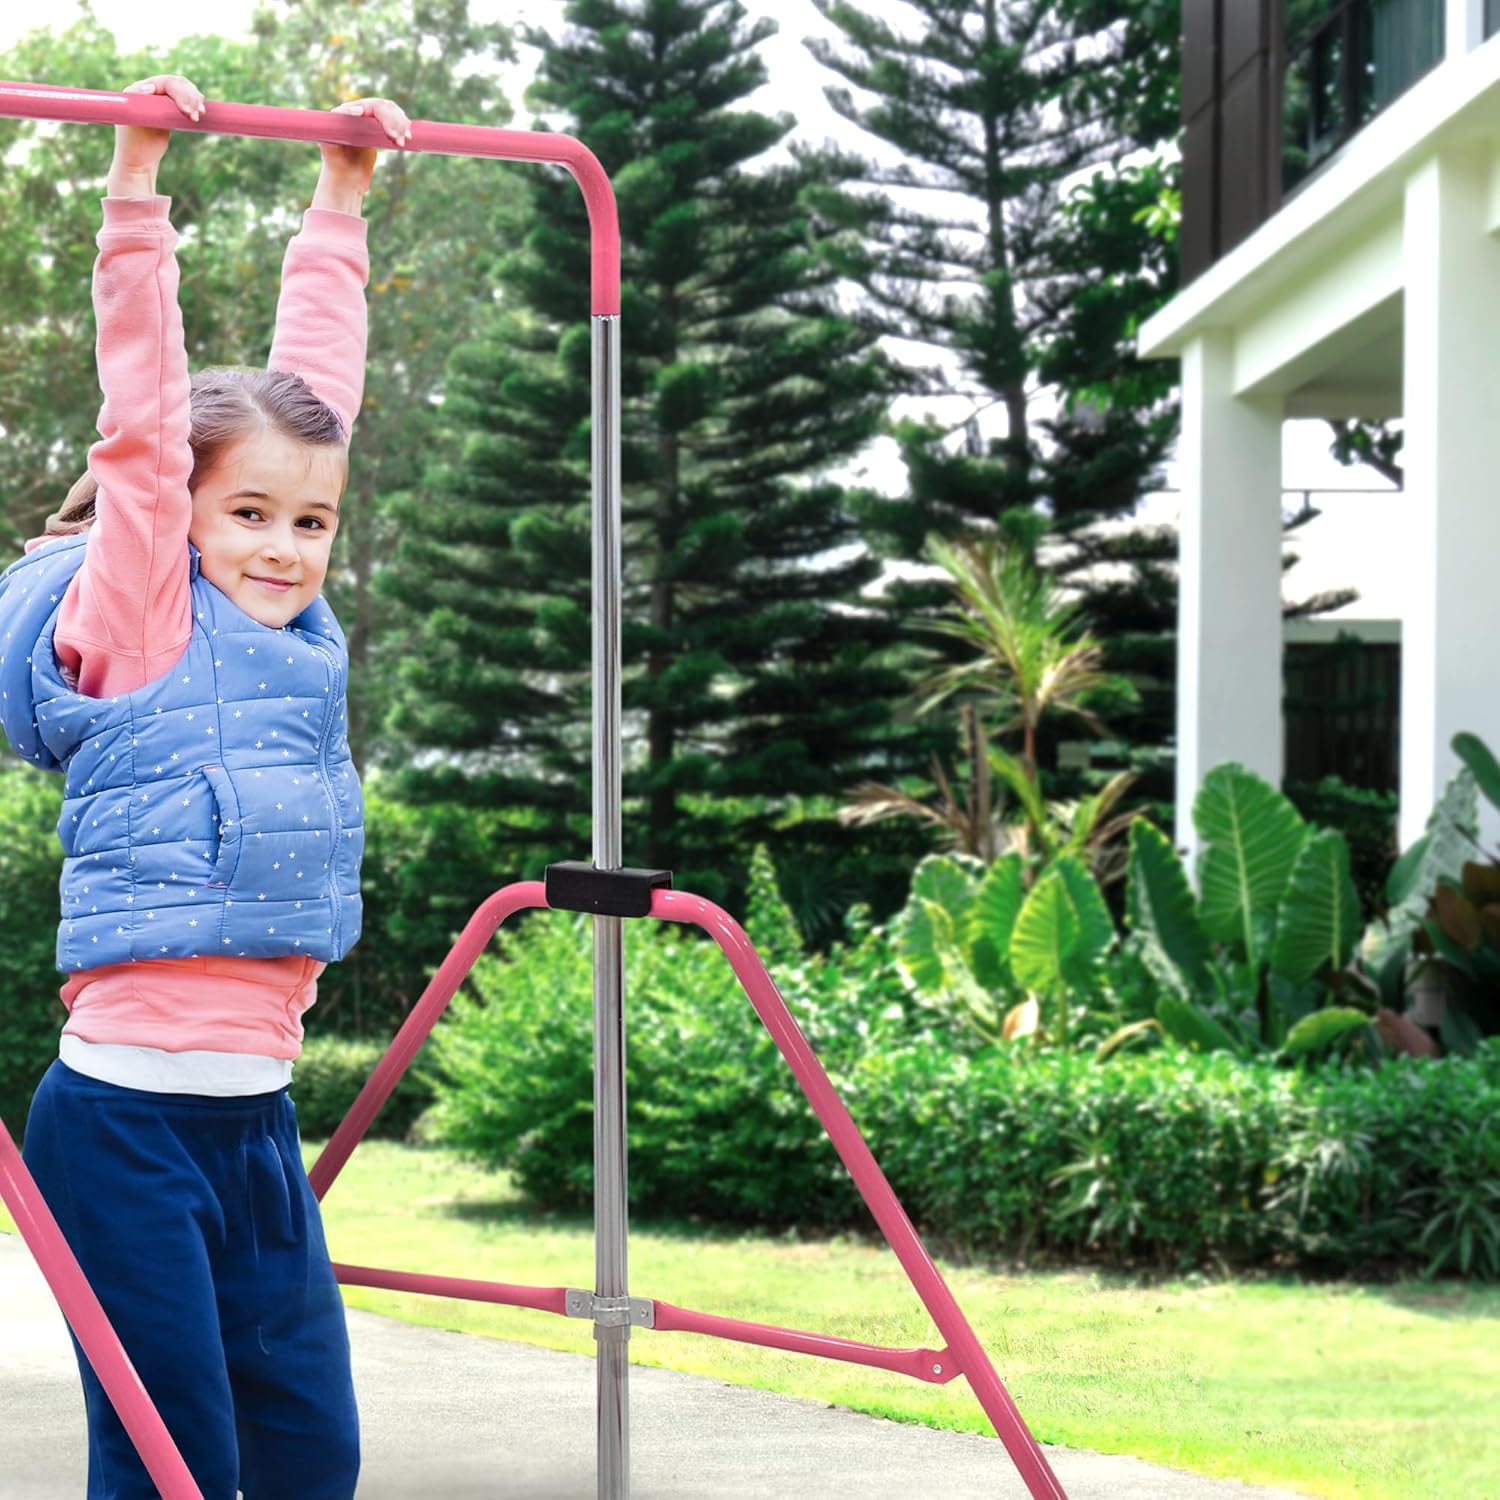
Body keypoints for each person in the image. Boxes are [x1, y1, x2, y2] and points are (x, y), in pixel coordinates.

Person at [0, 74, 412, 1499]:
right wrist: (135, 183)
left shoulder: (298, 630)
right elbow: (144, 421)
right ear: (180, 515)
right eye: (248, 513)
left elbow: (321, 402)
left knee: (308, 1456)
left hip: (257, 1123)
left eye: (310, 520)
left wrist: (343, 198)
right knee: (175, 1460)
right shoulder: (137, 616)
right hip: (122, 1128)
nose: (288, 545)